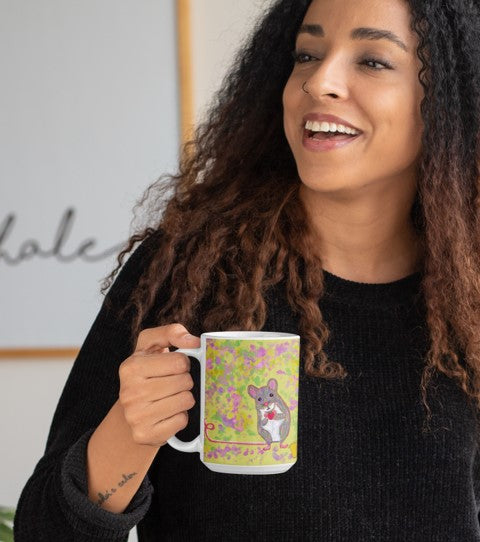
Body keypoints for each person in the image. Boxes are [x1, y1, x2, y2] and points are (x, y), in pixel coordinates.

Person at [14, 0, 480, 540]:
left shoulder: (467, 305)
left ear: (447, 98)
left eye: (373, 61)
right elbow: (41, 530)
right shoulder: (188, 271)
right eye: (306, 54)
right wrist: (128, 433)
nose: (319, 81)